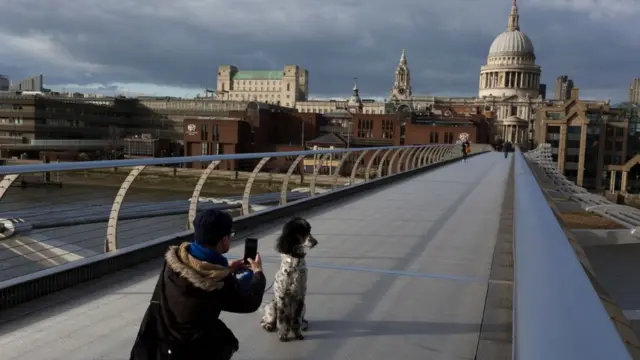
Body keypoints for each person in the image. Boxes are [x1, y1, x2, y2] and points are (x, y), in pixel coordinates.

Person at [130, 209, 266, 360]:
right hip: (190, 348)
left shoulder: (173, 261)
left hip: (164, 335)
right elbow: (249, 303)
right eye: (230, 235)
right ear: (223, 241)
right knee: (223, 338)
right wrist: (258, 273)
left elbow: (197, 268)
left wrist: (226, 268)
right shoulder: (217, 283)